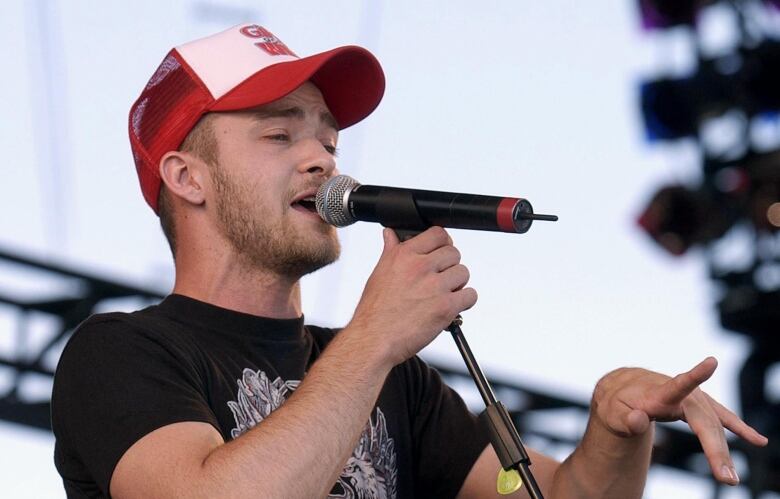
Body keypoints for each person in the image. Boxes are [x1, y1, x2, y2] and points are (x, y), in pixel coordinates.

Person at [51, 23, 767, 498]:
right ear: (187, 177)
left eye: (328, 140)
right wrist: (374, 335)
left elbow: (562, 494)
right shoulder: (120, 352)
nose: (321, 157)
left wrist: (616, 429)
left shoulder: (400, 382)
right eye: (279, 135)